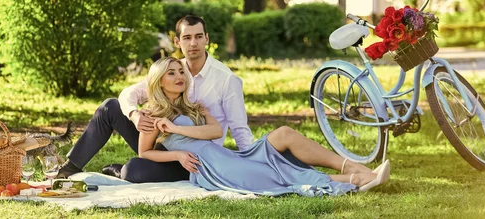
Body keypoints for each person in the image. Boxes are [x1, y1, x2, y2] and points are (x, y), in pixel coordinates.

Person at [139, 57, 391, 196]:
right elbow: (144, 152)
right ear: (159, 81)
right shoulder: (152, 115)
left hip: (229, 155)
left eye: (180, 71)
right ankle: (358, 179)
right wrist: (178, 154)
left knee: (284, 133)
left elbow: (215, 132)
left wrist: (174, 129)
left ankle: (356, 168)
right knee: (277, 176)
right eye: (171, 73)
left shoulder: (196, 106)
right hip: (213, 168)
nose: (179, 76)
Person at [57, 15, 255, 182]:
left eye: (198, 37)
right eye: (187, 38)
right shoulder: (173, 68)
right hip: (160, 142)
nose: (193, 43)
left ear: (207, 39)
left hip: (197, 154)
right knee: (110, 107)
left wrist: (252, 164)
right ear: (178, 42)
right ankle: (70, 167)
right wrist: (135, 115)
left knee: (133, 169)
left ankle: (121, 170)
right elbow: (130, 93)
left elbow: (239, 129)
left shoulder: (226, 79)